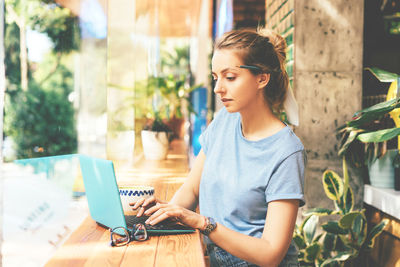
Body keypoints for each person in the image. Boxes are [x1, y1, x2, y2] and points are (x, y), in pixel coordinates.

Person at [131, 28, 305, 267]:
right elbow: (192, 189)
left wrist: (203, 223)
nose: (217, 88)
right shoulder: (225, 121)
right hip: (215, 259)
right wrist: (162, 214)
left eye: (230, 77)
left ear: (262, 78)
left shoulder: (286, 151)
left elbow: (270, 254)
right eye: (215, 77)